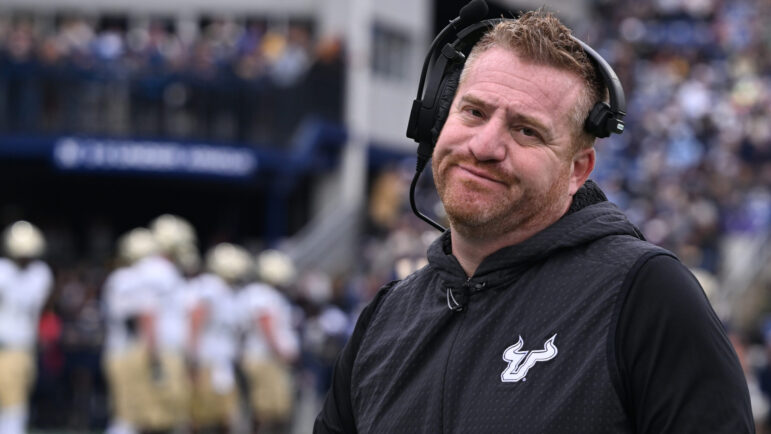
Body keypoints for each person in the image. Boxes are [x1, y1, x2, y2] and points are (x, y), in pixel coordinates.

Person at [314, 7, 754, 434]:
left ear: (578, 171)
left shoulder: (647, 297)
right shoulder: (386, 318)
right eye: (474, 112)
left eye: (526, 130)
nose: (485, 146)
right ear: (436, 119)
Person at [238, 249, 300, 434]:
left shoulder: (260, 293)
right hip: (265, 358)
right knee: (267, 411)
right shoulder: (262, 294)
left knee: (272, 410)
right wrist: (281, 352)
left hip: (265, 357)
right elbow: (266, 325)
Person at [0, 221, 53, 434]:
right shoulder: (39, 273)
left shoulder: (40, 273)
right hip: (12, 346)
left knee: (15, 407)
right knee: (14, 407)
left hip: (17, 347)